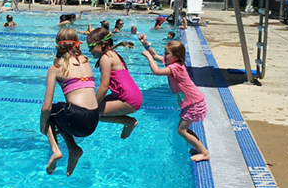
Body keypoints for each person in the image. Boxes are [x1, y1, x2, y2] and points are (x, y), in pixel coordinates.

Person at [138, 34, 209, 162]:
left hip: (194, 104)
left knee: (181, 130)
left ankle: (204, 152)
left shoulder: (176, 67)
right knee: (183, 129)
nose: (164, 56)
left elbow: (157, 71)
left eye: (167, 54)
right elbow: (155, 55)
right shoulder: (174, 63)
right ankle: (200, 148)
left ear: (176, 57)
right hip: (192, 103)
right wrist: (145, 43)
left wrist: (148, 58)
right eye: (165, 53)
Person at [40, 28, 99, 176]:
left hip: (77, 118)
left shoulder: (56, 68)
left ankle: (55, 150)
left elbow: (47, 106)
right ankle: (73, 148)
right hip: (93, 120)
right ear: (77, 43)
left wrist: (43, 126)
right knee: (63, 111)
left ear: (58, 45)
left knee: (51, 111)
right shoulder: (86, 61)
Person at [87, 28, 141, 139]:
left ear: (102, 44)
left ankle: (129, 122)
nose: (89, 50)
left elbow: (104, 86)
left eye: (91, 46)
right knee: (91, 106)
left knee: (94, 113)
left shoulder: (105, 58)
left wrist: (93, 106)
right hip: (133, 95)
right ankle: (128, 121)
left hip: (129, 100)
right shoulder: (113, 54)